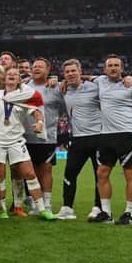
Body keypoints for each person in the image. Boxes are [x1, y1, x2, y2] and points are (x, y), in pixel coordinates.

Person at [0, 68, 56, 221]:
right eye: (9, 75)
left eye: (15, 75)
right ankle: (3, 210)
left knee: (29, 174)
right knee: (0, 176)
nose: (12, 76)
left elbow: (36, 111)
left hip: (16, 140)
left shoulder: (24, 96)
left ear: (19, 80)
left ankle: (42, 210)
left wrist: (39, 122)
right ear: (4, 79)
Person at [90, 55, 132, 225]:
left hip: (127, 134)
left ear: (122, 69)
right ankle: (106, 213)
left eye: (117, 65)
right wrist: (58, 80)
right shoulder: (100, 81)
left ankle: (128, 214)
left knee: (130, 174)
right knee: (102, 173)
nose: (113, 68)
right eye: (110, 65)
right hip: (105, 135)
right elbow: (84, 77)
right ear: (104, 69)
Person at [55, 59, 102, 220]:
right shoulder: (63, 89)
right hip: (77, 139)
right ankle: (67, 208)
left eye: (73, 71)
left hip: (98, 138)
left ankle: (98, 207)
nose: (70, 74)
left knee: (100, 175)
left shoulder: (95, 87)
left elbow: (110, 82)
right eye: (67, 72)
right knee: (69, 173)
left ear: (80, 71)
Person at [23, 58, 66, 214]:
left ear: (48, 70)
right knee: (31, 172)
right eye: (34, 66)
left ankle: (47, 203)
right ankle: (37, 202)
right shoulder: (25, 86)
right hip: (27, 136)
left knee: (46, 170)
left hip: (47, 137)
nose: (36, 69)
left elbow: (65, 107)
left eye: (40, 66)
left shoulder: (55, 88)